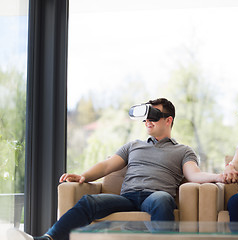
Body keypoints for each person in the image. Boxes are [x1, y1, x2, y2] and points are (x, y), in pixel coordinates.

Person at [8, 98, 224, 240]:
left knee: (162, 200)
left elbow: (193, 174)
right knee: (88, 202)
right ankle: (48, 238)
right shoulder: (133, 145)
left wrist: (219, 176)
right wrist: (83, 175)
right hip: (127, 197)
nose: (147, 120)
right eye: (145, 116)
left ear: (168, 120)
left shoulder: (183, 150)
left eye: (153, 115)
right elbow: (107, 165)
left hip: (155, 196)